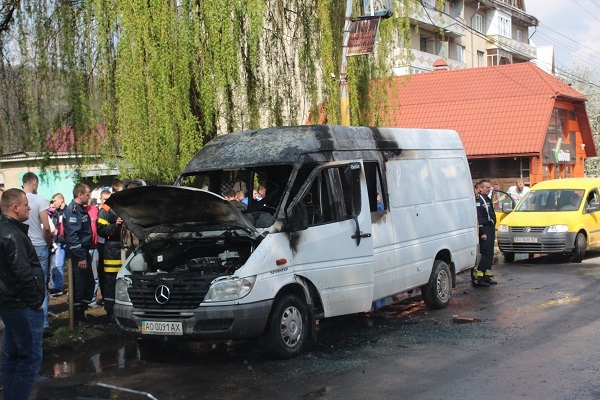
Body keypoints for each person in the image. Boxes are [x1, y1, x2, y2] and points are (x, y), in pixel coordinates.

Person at [0, 188, 45, 400]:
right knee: (29, 358)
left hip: (11, 304)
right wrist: (36, 301)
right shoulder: (12, 233)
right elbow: (22, 271)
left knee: (12, 356)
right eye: (26, 204)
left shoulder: (8, 229)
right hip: (22, 305)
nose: (29, 207)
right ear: (15, 207)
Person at [22, 172, 53, 330]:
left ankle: (27, 319)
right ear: (34, 182)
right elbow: (46, 227)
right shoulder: (40, 200)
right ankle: (43, 322)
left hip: (23, 245)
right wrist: (48, 243)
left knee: (26, 283)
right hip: (39, 245)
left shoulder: (18, 200)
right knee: (41, 284)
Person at [63, 183, 95, 325]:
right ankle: (77, 316)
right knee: (79, 285)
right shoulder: (73, 210)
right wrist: (81, 257)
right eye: (87, 194)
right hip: (78, 255)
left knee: (88, 283)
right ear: (80, 194)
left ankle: (82, 312)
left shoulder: (81, 209)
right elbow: (72, 235)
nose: (89, 197)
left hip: (84, 252)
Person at [97, 188, 123, 321]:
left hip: (125, 250)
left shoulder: (124, 207)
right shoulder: (105, 210)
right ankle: (110, 310)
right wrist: (115, 225)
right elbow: (101, 231)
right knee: (111, 282)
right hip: (111, 251)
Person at [473, 179, 497, 287]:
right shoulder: (479, 200)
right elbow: (479, 217)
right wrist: (482, 232)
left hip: (490, 228)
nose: (489, 189)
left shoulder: (487, 198)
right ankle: (479, 278)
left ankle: (487, 276)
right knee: (485, 254)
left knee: (490, 254)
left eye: (490, 187)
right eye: (487, 188)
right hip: (485, 229)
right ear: (481, 188)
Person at [49, 193, 67, 297]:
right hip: (58, 242)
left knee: (58, 265)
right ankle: (56, 287)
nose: (54, 203)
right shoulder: (57, 213)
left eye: (55, 201)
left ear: (61, 200)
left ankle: (58, 287)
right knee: (56, 265)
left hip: (65, 241)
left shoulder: (67, 211)